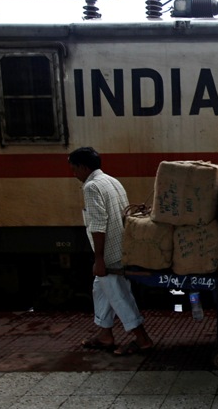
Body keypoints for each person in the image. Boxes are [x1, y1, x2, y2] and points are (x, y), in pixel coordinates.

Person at [69, 147, 154, 356]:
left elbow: (98, 224)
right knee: (101, 289)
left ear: (83, 167)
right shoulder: (111, 180)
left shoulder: (91, 187)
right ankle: (105, 335)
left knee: (117, 295)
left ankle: (142, 339)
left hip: (109, 253)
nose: (73, 174)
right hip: (121, 247)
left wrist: (99, 259)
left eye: (74, 169)